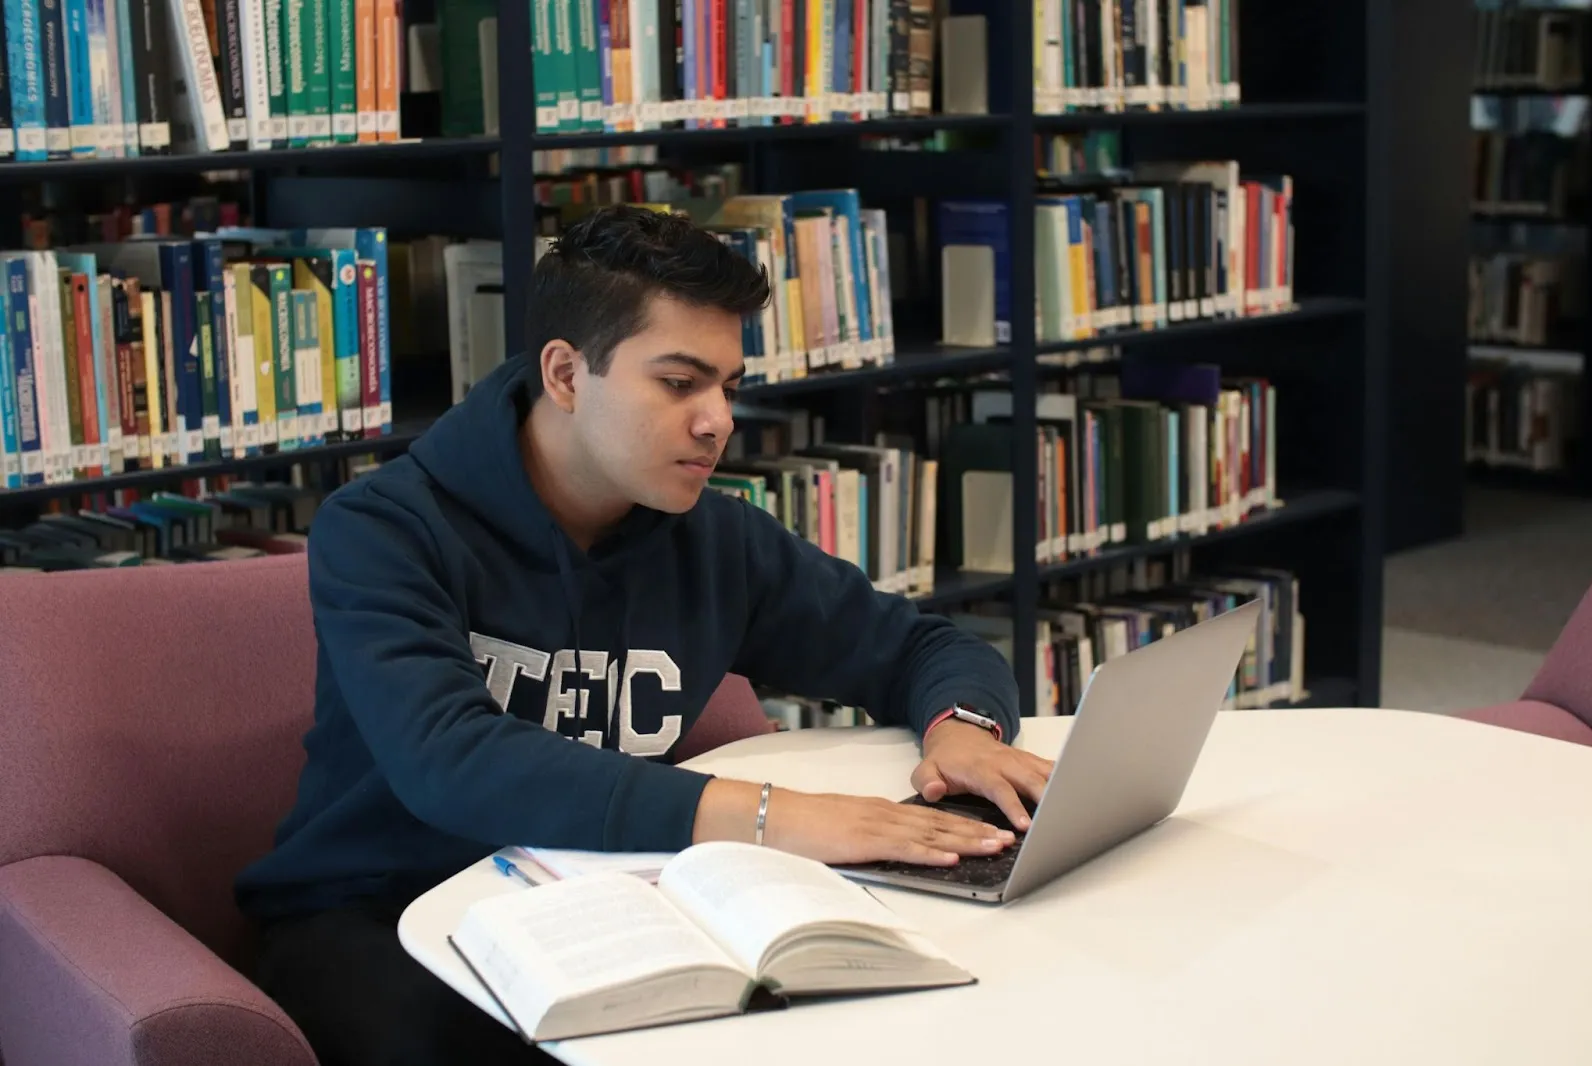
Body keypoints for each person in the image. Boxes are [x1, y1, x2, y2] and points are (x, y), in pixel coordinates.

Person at [238, 204, 1053, 1066]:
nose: (718, 421)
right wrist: (774, 819)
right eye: (678, 383)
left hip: (615, 897)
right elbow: (450, 759)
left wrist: (961, 726)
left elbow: (922, 646)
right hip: (380, 911)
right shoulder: (382, 530)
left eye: (728, 386)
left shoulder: (714, 539)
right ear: (564, 374)